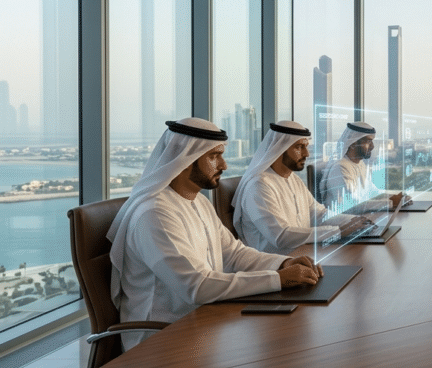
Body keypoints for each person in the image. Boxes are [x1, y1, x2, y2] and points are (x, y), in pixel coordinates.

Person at [108, 118, 322, 350]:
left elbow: (234, 254)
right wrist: (279, 279)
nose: (224, 165)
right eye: (214, 156)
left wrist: (283, 263)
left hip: (206, 321)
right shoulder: (154, 214)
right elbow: (197, 286)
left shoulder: (198, 201)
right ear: (185, 160)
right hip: (160, 340)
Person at [233, 121, 372, 254]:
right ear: (279, 149)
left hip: (306, 253)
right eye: (299, 147)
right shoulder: (258, 186)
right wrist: (338, 231)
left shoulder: (293, 179)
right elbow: (281, 237)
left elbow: (319, 214)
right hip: (280, 264)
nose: (306, 153)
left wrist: (352, 221)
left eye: (306, 146)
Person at [320, 122, 406, 211]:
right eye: (368, 141)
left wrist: (396, 197)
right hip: (345, 218)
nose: (372, 146)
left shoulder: (360, 164)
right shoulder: (340, 168)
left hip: (363, 216)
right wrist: (390, 202)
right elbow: (351, 205)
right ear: (353, 143)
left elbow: (373, 192)